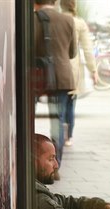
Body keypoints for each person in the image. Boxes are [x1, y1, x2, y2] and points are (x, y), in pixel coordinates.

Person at [33, 0, 76, 179]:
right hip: (62, 76)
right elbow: (72, 52)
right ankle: (54, 166)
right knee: (57, 121)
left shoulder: (31, 20)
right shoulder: (68, 20)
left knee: (27, 119)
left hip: (36, 76)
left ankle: (33, 162)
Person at [60, 0, 98, 147]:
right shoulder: (79, 23)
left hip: (58, 66)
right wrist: (93, 70)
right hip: (73, 68)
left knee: (60, 103)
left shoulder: (57, 19)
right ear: (74, 6)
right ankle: (69, 137)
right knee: (71, 103)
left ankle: (59, 134)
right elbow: (88, 49)